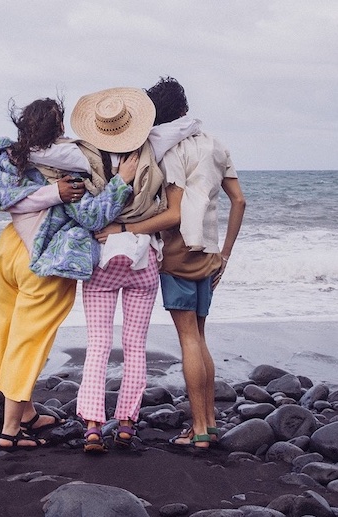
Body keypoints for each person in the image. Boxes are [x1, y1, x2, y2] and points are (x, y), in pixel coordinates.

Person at [0, 97, 139, 450]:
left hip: (9, 249)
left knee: (3, 332)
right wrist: (122, 182)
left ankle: (24, 412)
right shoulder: (74, 162)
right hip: (46, 255)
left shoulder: (7, 153)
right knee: (29, 340)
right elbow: (91, 217)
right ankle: (12, 430)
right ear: (59, 128)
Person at [96, 76, 246, 450]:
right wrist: (225, 254)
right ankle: (208, 423)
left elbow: (175, 214)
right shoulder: (215, 143)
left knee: (188, 340)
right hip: (210, 252)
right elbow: (239, 202)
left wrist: (124, 226)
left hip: (179, 252)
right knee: (200, 336)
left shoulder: (172, 151)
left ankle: (197, 430)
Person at [64, 87, 200, 452]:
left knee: (98, 346)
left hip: (104, 261)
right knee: (135, 347)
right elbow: (187, 125)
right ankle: (126, 423)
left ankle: (93, 423)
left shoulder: (83, 159)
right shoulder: (150, 147)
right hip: (142, 261)